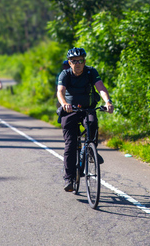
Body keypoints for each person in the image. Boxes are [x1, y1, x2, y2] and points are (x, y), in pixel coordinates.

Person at [56, 47, 114, 192]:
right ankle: (69, 178)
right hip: (70, 110)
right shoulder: (65, 74)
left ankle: (90, 150)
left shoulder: (90, 72)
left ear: (84, 61)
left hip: (87, 108)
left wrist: (107, 101)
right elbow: (60, 91)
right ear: (69, 63)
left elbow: (100, 87)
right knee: (70, 145)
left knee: (92, 123)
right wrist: (64, 104)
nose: (77, 64)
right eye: (74, 61)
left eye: (80, 60)